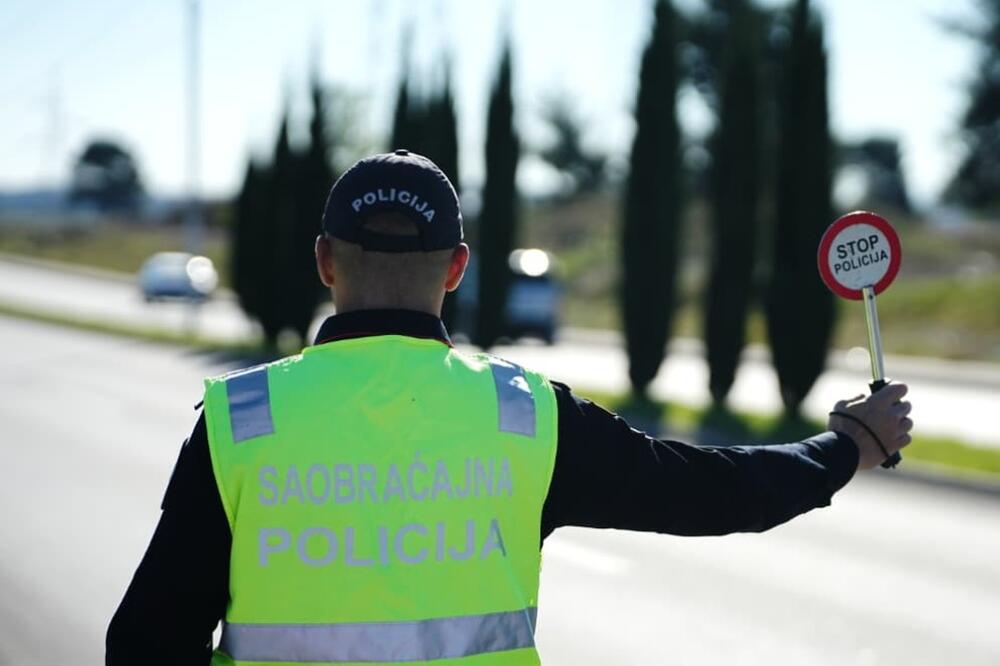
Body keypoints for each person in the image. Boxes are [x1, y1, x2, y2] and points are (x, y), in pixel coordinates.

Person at [107, 150, 913, 665]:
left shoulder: (242, 420)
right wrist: (847, 444)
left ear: (324, 260)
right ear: (457, 267)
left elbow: (146, 643)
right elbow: (712, 491)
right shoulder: (524, 416)